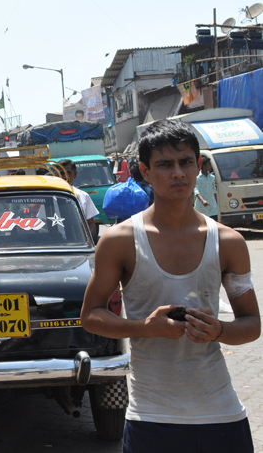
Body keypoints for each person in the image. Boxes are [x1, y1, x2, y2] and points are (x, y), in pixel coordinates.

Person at [81, 119, 260, 453]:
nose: (178, 173)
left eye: (186, 162)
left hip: (221, 413)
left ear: (198, 166)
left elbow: (251, 325)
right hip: (151, 417)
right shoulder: (120, 241)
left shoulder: (228, 241)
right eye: (165, 164)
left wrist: (218, 330)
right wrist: (146, 328)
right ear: (145, 172)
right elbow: (91, 315)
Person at [58, 159, 100, 242]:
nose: (65, 176)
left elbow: (91, 223)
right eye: (61, 173)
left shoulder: (83, 196)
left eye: (68, 173)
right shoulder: (50, 196)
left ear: (75, 174)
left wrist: (86, 241)